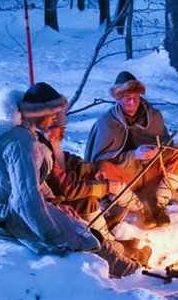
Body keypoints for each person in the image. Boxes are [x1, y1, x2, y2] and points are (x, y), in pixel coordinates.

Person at [0, 83, 140, 277]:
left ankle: (125, 264)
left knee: (78, 225)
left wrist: (54, 203)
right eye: (52, 114)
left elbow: (35, 182)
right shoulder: (23, 144)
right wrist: (52, 236)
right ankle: (129, 272)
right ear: (38, 113)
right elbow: (25, 198)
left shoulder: (26, 137)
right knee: (80, 233)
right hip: (6, 212)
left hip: (14, 204)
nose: (55, 120)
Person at [84, 71, 178, 229]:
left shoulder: (154, 116)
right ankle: (141, 210)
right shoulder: (106, 123)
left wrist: (158, 151)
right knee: (103, 168)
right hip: (125, 179)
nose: (132, 102)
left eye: (136, 96)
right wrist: (134, 155)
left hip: (152, 175)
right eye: (127, 98)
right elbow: (99, 160)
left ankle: (159, 205)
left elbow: (166, 144)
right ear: (117, 98)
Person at [42, 112, 152, 266]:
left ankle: (141, 215)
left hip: (57, 200)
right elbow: (68, 188)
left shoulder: (50, 145)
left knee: (102, 187)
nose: (63, 132)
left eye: (64, 127)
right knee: (88, 200)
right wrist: (106, 186)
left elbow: (67, 159)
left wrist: (90, 169)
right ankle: (122, 252)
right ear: (46, 127)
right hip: (53, 207)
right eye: (58, 128)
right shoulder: (42, 150)